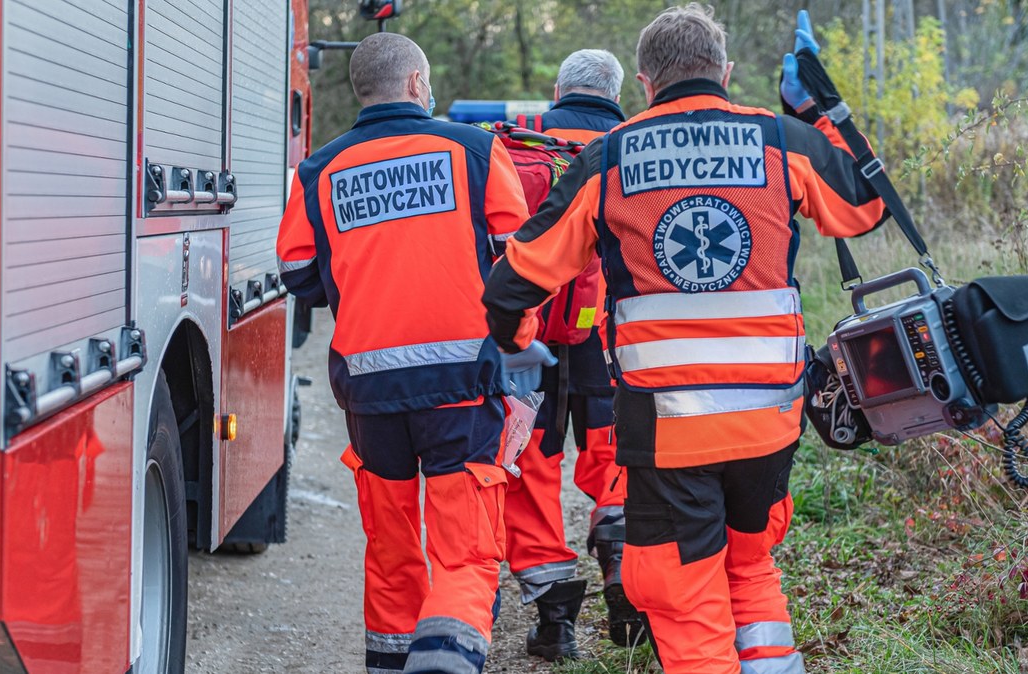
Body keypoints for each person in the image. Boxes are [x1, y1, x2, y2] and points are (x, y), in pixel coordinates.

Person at [482, 6, 887, 673]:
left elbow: (517, 280)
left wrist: (513, 339)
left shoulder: (609, 157)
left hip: (670, 429)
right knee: (749, 564)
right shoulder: (781, 140)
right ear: (724, 72)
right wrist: (819, 109)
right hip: (769, 423)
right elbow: (865, 208)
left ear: (643, 83)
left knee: (681, 590)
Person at [276, 32, 533, 674]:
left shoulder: (320, 170)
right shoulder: (475, 149)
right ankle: (445, 655)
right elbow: (521, 267)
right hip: (464, 385)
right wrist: (522, 369)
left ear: (362, 90)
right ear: (418, 84)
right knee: (466, 551)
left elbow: (298, 271)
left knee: (391, 549)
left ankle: (392, 663)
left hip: (369, 387)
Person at [498, 49, 641, 661]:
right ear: (618, 94)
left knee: (532, 471)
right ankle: (622, 567)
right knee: (617, 459)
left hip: (531, 342)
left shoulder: (511, 152)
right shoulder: (638, 153)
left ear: (556, 91)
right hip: (610, 341)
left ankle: (555, 623)